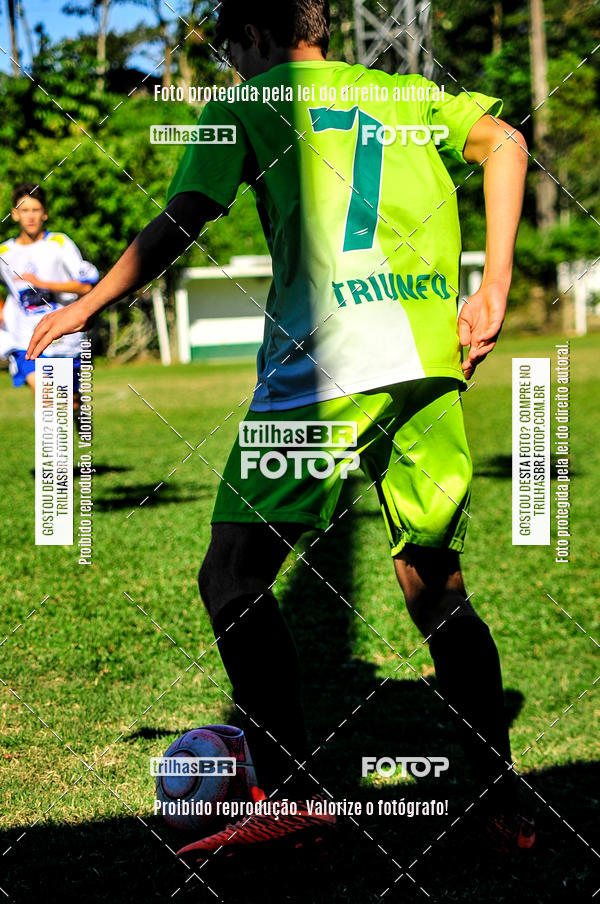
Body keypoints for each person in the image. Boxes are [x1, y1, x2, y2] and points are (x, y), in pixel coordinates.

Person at [26, 0, 532, 862]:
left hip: (326, 364)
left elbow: (183, 214)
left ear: (253, 38)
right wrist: (493, 285)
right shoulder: (405, 93)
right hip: (425, 357)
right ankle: (498, 797)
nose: (230, 70)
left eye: (231, 53)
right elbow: (509, 143)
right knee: (433, 578)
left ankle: (292, 797)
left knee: (232, 574)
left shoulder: (247, 103)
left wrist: (91, 301)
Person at [0, 183, 99, 421]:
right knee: (46, 394)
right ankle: (53, 458)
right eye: (24, 210)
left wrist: (43, 283)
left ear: (44, 213)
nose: (30, 216)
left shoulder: (59, 243)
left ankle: (76, 413)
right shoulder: (4, 252)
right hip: (23, 338)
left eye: (35, 210)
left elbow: (85, 285)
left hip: (62, 337)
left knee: (69, 402)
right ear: (14, 214)